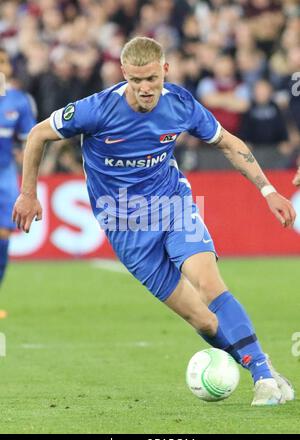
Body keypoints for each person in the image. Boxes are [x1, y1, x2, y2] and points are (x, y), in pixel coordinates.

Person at [13, 37, 296, 406]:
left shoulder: (180, 104)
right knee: (204, 321)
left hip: (173, 205)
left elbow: (227, 142)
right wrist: (29, 193)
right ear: (123, 74)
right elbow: (37, 135)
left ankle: (262, 375)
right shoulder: (97, 109)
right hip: (124, 226)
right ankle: (261, 366)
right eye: (135, 80)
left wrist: (268, 190)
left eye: (151, 79)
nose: (145, 88)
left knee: (209, 285)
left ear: (165, 70)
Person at [0, 48, 36, 287]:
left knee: (3, 237)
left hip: (4, 174)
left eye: (3, 61)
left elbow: (30, 141)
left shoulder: (19, 101)